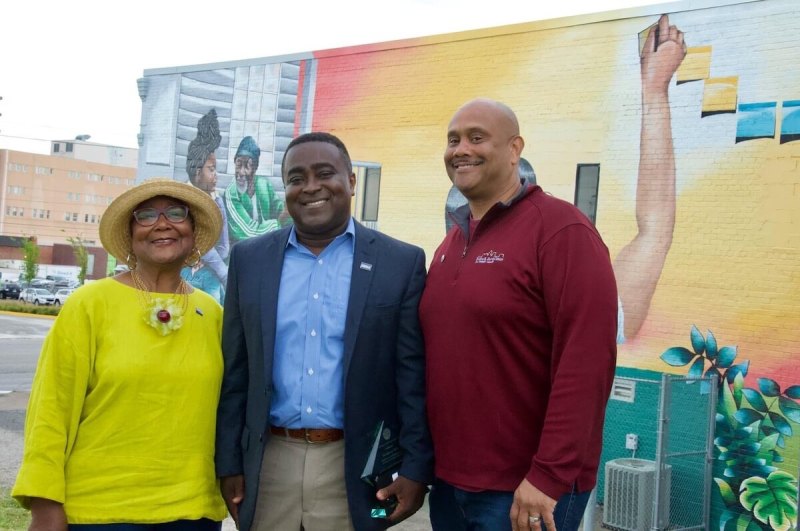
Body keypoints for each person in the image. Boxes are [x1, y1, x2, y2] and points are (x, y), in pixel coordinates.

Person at [215, 132, 433, 531]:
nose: (310, 186)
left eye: (325, 173)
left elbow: (411, 377)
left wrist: (416, 466)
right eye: (296, 178)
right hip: (269, 461)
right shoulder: (249, 260)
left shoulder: (400, 263)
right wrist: (228, 461)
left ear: (351, 181)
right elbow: (235, 373)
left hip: (353, 466)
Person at [420, 98, 618, 531]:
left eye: (477, 137)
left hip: (525, 492)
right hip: (450, 485)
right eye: (453, 140)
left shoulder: (562, 231)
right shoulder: (451, 245)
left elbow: (586, 364)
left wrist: (548, 475)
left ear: (515, 150)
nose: (460, 149)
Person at [13, 179, 227, 529]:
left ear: (193, 231)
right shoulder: (89, 304)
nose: (162, 223)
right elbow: (50, 410)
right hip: (100, 511)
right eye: (146, 216)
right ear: (130, 236)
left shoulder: (212, 313)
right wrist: (45, 503)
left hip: (193, 512)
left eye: (176, 213)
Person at [183, 108, 229, 304]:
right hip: (186, 273)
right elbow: (198, 242)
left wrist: (218, 203)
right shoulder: (183, 200)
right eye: (211, 169)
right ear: (196, 173)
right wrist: (222, 271)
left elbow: (224, 245)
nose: (216, 175)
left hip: (209, 275)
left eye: (216, 169)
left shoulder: (216, 199)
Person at [224, 135, 289, 244]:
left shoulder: (264, 185)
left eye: (247, 166)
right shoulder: (231, 193)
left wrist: (291, 211)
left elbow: (281, 210)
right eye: (238, 165)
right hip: (242, 253)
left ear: (255, 168)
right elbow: (249, 232)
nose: (241, 172)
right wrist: (280, 221)